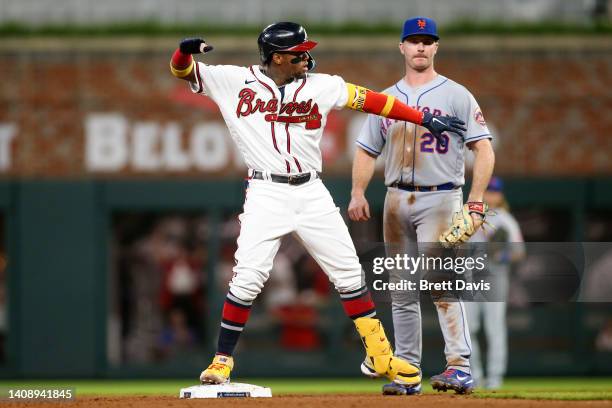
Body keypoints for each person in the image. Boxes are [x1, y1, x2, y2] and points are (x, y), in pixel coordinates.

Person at [169, 21, 466, 384]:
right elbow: (183, 70)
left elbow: (375, 101)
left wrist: (422, 117)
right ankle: (221, 361)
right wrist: (184, 51)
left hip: (311, 191)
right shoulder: (233, 81)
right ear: (278, 57)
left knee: (349, 273)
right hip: (267, 192)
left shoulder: (323, 85)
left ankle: (380, 354)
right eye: (298, 53)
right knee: (247, 278)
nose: (307, 57)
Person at [348, 16, 495, 395]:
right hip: (396, 197)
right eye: (413, 41)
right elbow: (366, 150)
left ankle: (459, 366)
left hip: (441, 196)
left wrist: (475, 200)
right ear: (402, 47)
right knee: (400, 289)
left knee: (441, 283)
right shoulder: (386, 98)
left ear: (436, 47)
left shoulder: (457, 95)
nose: (420, 47)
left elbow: (484, 149)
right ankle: (408, 370)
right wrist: (358, 192)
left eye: (427, 41)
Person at [466, 177, 525, 390]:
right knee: (468, 328)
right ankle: (475, 376)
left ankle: (495, 378)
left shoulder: (505, 220)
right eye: (488, 190)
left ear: (500, 195)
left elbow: (519, 252)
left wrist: (502, 256)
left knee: (494, 329)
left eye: (494, 191)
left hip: (495, 277)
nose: (491, 194)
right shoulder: (468, 216)